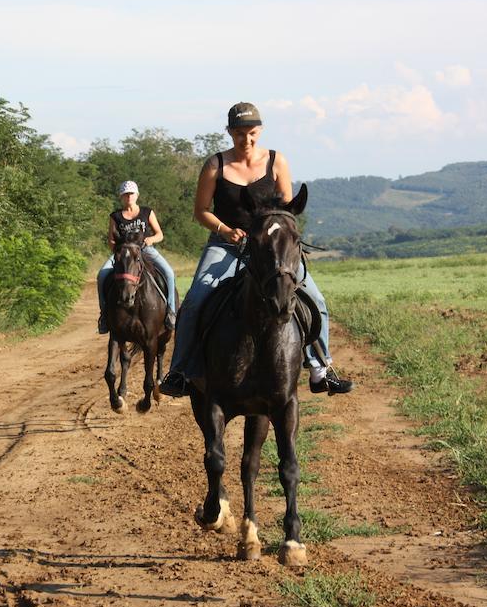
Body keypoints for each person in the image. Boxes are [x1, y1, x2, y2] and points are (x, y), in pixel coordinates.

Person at [158, 102, 353, 397]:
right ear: (229, 132)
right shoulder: (215, 165)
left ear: (259, 131)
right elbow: (201, 211)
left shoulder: (277, 161)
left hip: (271, 250)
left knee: (316, 299)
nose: (245, 140)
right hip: (227, 245)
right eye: (238, 133)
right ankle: (181, 371)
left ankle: (320, 370)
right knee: (195, 301)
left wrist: (277, 239)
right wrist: (225, 230)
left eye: (251, 133)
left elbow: (286, 211)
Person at [96, 180, 177, 333]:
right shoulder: (116, 216)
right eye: (125, 194)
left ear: (137, 195)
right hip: (124, 254)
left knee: (169, 273)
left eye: (131, 194)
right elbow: (111, 240)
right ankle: (104, 316)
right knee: (102, 275)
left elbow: (160, 234)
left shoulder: (147, 212)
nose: (129, 197)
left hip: (146, 251)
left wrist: (151, 239)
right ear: (121, 197)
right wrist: (119, 251)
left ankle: (171, 312)